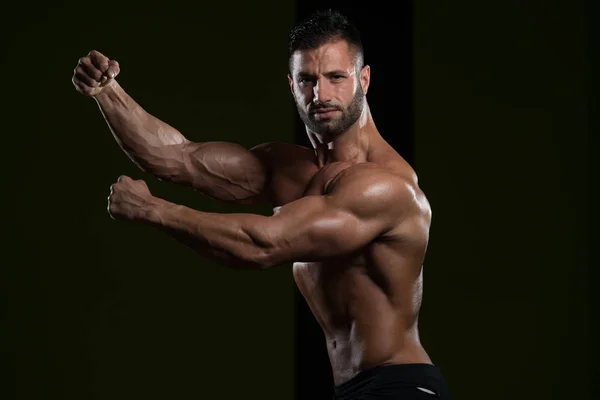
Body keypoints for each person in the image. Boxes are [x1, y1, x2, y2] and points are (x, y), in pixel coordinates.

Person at [72, 9, 449, 399]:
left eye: (336, 77)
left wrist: (155, 211)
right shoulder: (289, 169)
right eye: (308, 80)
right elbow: (178, 159)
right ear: (291, 85)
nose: (321, 94)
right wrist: (106, 92)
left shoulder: (383, 186)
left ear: (364, 79)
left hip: (401, 386)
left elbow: (265, 244)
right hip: (350, 388)